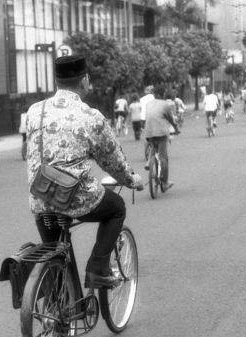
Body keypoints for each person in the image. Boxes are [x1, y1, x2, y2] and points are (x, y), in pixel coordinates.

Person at [24, 55, 143, 289]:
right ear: (85, 81)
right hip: (74, 197)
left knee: (56, 253)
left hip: (40, 196)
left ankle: (60, 312)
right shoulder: (91, 116)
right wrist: (131, 179)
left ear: (56, 81)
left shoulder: (34, 111)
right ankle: (97, 268)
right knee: (116, 208)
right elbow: (112, 161)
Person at [143, 86, 179, 188]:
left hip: (148, 132)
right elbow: (170, 119)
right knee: (163, 157)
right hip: (161, 133)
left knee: (154, 147)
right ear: (163, 94)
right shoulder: (165, 104)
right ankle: (165, 182)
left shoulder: (148, 104)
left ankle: (149, 161)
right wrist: (176, 128)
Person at [139, 85, 155, 158]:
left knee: (145, 134)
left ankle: (146, 148)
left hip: (143, 119)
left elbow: (140, 109)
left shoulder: (141, 99)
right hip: (153, 118)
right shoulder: (155, 98)